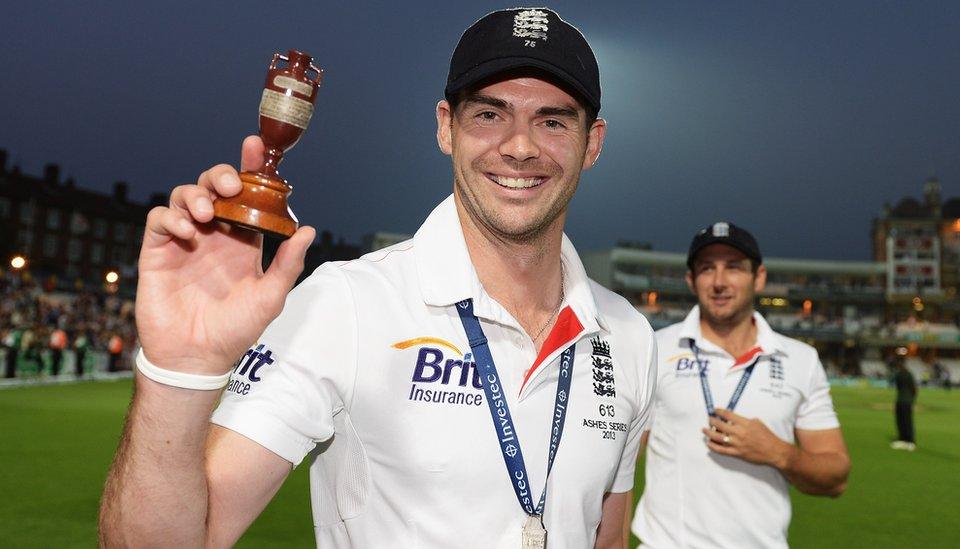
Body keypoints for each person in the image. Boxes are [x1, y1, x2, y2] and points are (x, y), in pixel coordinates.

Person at [100, 8, 657, 548]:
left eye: (553, 121)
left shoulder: (628, 336)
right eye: (489, 114)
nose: (519, 147)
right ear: (446, 127)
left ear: (594, 143)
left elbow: (603, 539)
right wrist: (180, 372)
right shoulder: (344, 304)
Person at [632, 222, 851, 549]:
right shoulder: (654, 348)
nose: (719, 282)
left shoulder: (800, 360)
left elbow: (836, 477)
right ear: (692, 281)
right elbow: (617, 461)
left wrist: (779, 453)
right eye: (707, 269)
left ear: (758, 277)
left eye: (733, 267)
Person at [890, 357, 917, 450]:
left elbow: (897, 388)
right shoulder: (908, 374)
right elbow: (914, 389)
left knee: (902, 421)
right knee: (906, 421)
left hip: (901, 400)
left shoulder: (899, 375)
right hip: (905, 401)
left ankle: (907, 440)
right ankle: (906, 440)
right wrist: (912, 400)